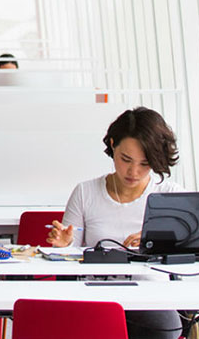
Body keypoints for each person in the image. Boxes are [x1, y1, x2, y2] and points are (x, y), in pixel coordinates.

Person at [47, 106, 184, 339]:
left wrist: (158, 241)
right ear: (112, 145)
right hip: (95, 294)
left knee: (163, 326)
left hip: (150, 296)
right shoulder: (85, 192)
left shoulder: (170, 195)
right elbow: (67, 265)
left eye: (145, 163)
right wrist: (64, 248)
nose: (133, 172)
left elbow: (186, 260)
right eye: (126, 159)